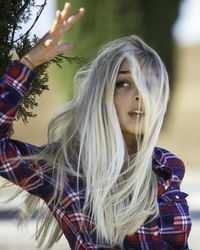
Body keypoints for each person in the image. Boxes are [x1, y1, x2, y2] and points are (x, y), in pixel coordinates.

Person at [0, 2, 191, 250]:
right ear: (102, 93)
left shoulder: (167, 165)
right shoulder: (65, 169)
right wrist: (28, 64)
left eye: (150, 84)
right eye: (124, 83)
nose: (140, 95)